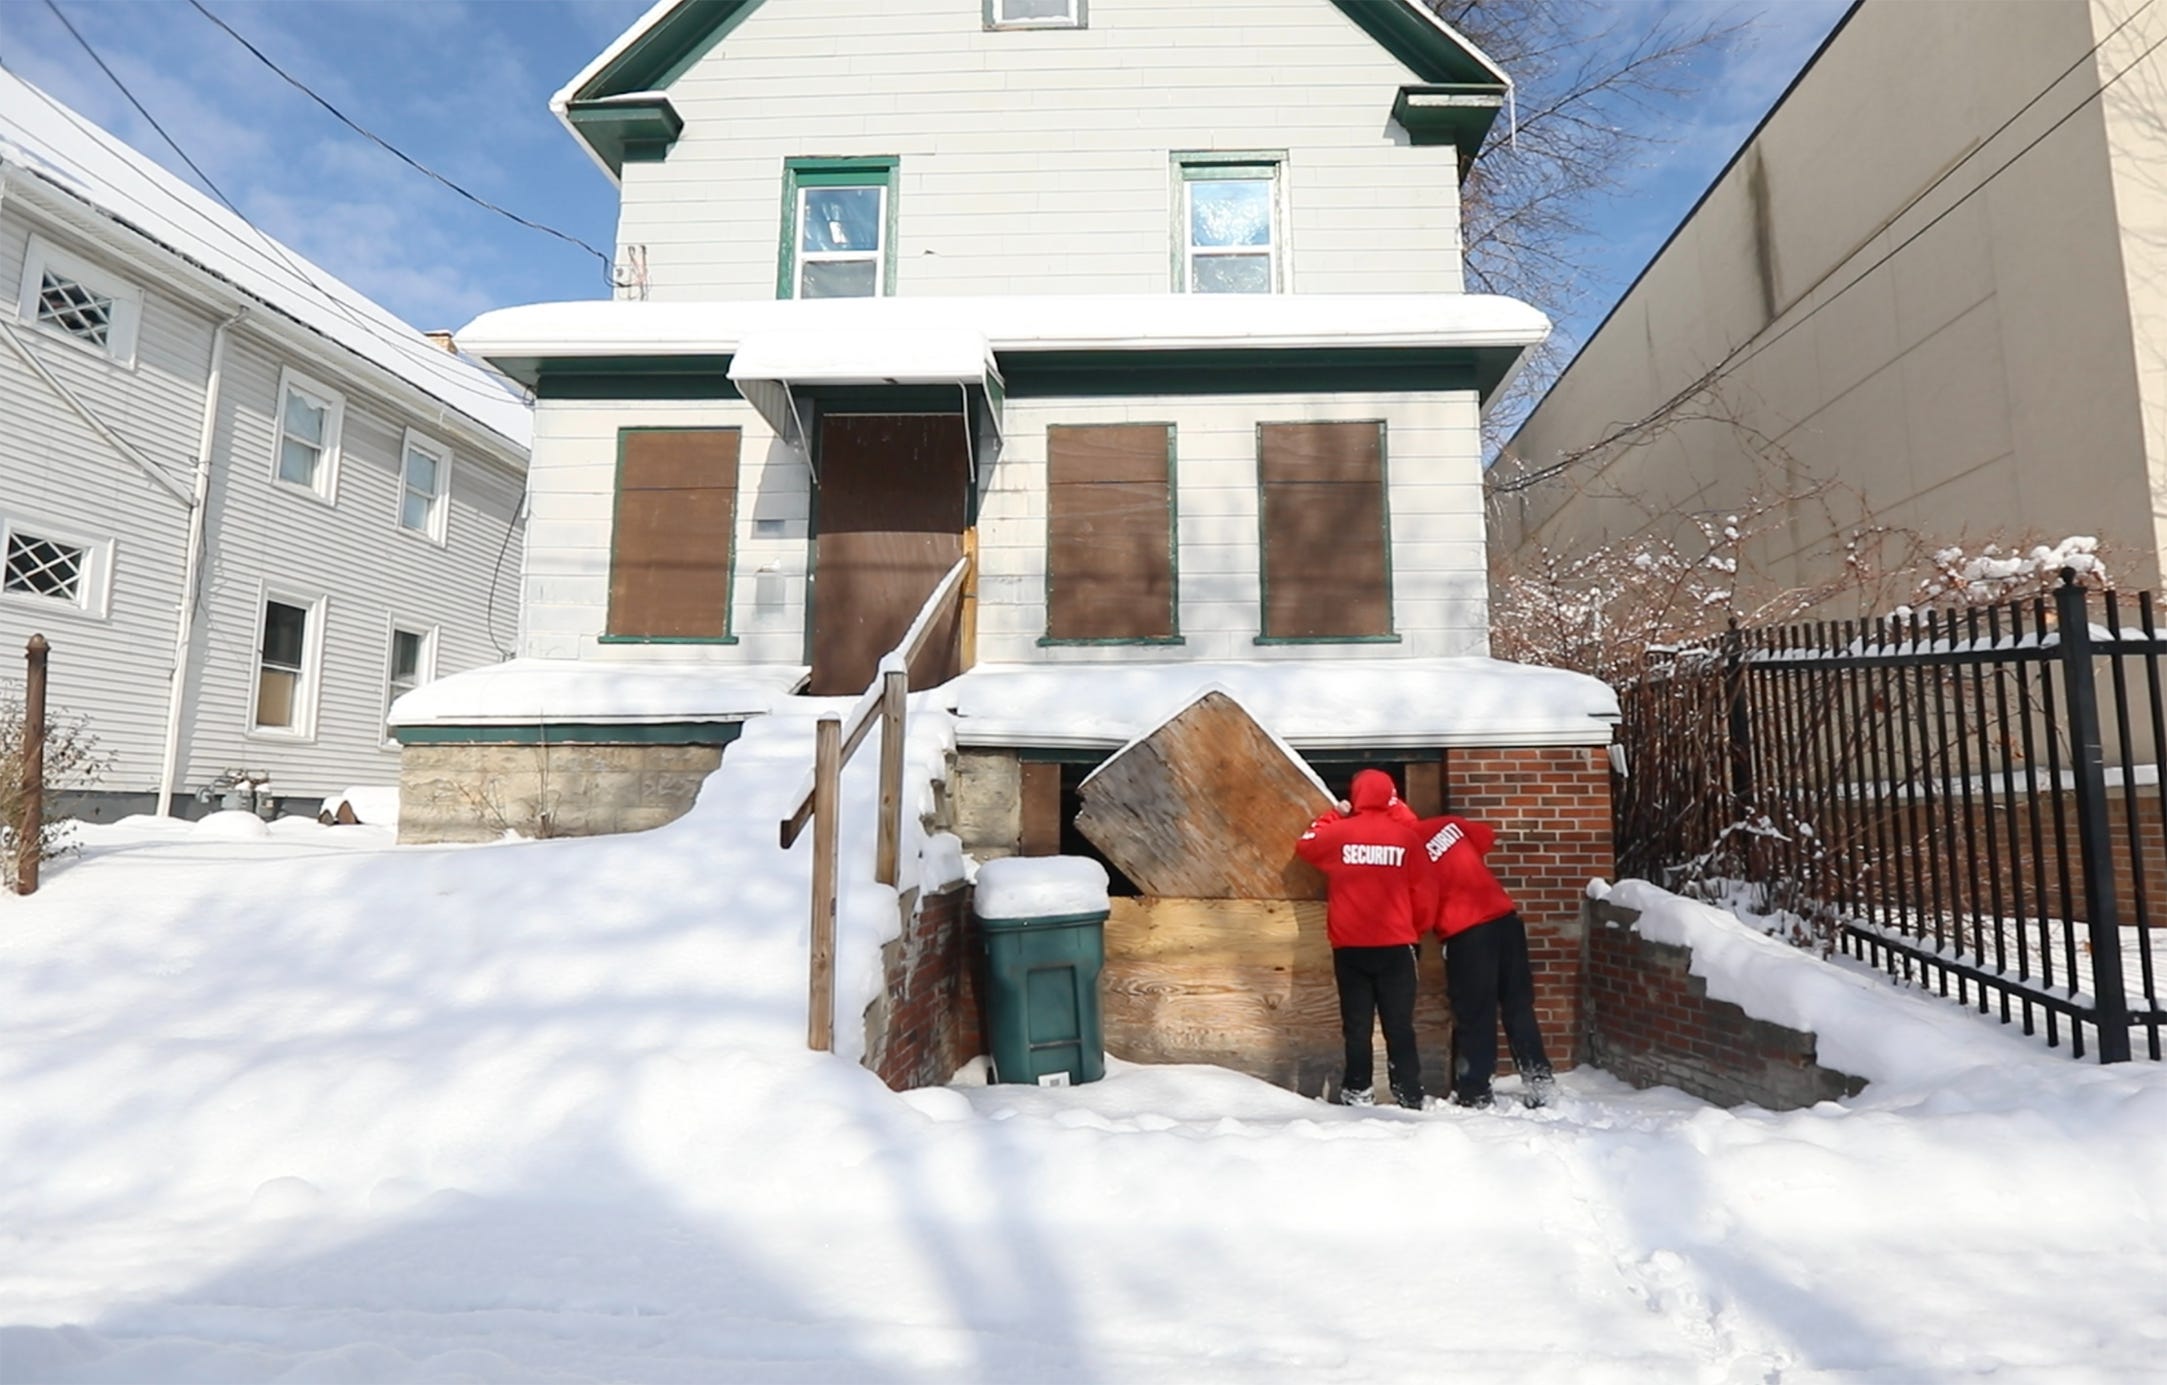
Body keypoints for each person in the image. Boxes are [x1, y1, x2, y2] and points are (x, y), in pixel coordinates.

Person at [1294, 769, 1432, 1109]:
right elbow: (1425, 893)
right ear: (1389, 796)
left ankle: (1358, 1091)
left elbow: (1305, 845)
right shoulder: (1405, 838)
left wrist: (1335, 814)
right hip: (1396, 947)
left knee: (1356, 1027)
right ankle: (1409, 1094)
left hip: (1350, 948)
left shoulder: (1339, 834)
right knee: (1399, 1026)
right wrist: (1414, 931)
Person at [1412, 812, 1556, 1109]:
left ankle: (1475, 1090)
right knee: (1518, 1004)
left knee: (1475, 1012)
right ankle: (1539, 1078)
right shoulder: (1447, 825)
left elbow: (1423, 903)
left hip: (1467, 934)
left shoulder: (1409, 849)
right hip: (1506, 921)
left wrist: (1413, 934)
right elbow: (1486, 836)